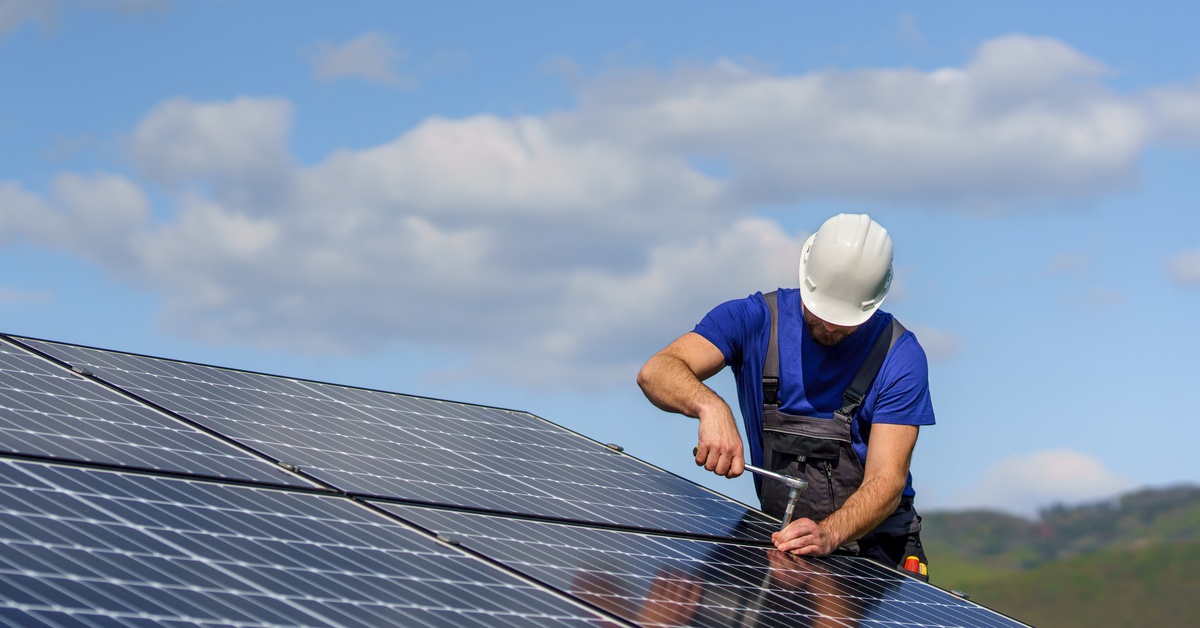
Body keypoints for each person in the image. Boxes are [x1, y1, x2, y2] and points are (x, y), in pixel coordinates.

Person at [637, 213, 935, 576]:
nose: (828, 326)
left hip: (877, 546)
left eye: (844, 320)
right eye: (821, 310)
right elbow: (658, 371)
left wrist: (828, 533)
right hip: (788, 545)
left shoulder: (898, 355)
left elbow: (887, 480)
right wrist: (710, 407)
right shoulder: (754, 320)